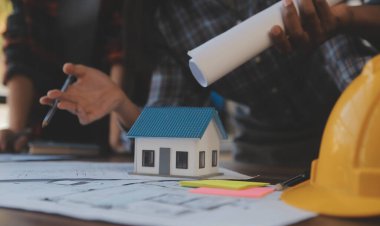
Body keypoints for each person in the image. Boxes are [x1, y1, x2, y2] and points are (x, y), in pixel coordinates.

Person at [40, 0, 380, 167]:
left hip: (351, 134)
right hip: (264, 155)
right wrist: (122, 105)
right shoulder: (170, 18)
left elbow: (350, 64)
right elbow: (175, 129)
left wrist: (341, 20)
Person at [0, 0, 125, 153]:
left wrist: (116, 139)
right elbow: (20, 54)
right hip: (41, 126)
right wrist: (16, 130)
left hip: (103, 117)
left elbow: (120, 53)